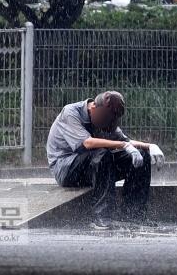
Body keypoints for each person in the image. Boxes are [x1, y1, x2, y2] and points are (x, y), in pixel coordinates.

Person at [46, 90, 165, 230]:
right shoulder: (71, 113)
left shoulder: (107, 121)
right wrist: (123, 145)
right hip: (66, 169)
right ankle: (101, 216)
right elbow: (88, 143)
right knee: (102, 153)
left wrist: (150, 146)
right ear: (93, 109)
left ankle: (132, 214)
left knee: (141, 156)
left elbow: (124, 141)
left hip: (96, 167)